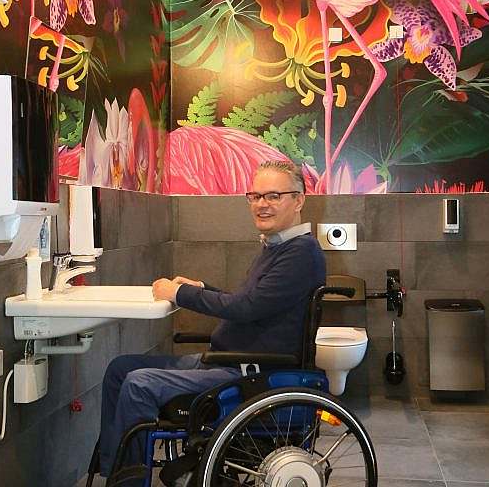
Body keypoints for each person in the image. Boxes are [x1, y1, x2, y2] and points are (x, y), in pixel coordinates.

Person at [96, 160, 327, 481]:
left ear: (299, 200)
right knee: (120, 369)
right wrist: (203, 289)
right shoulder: (279, 247)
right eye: (256, 196)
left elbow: (245, 308)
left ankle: (129, 481)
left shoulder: (299, 253)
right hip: (232, 363)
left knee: (139, 384)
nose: (262, 204)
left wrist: (180, 295)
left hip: (252, 374)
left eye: (274, 196)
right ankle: (114, 470)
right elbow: (255, 304)